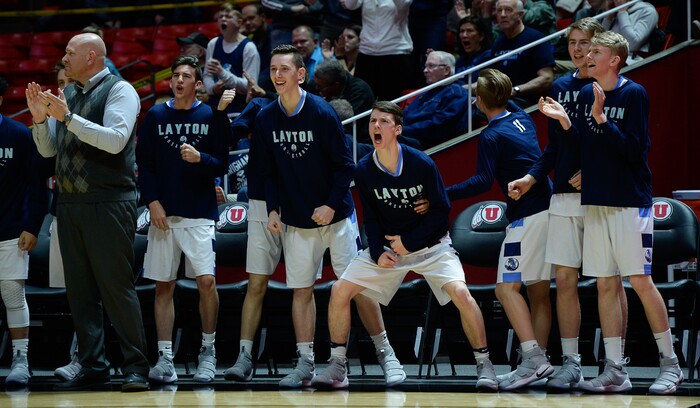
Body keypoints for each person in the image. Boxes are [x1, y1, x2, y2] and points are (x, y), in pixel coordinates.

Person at [312, 101, 498, 390]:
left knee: (461, 293)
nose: (376, 126)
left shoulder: (421, 163)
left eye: (383, 122)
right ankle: (337, 365)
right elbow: (371, 219)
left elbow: (440, 211)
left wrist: (409, 242)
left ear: (397, 129)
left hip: (430, 246)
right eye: (373, 121)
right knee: (340, 290)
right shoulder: (363, 170)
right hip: (391, 249)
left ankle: (484, 365)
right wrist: (377, 251)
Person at [535, 31, 683, 395]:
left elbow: (635, 151)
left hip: (630, 202)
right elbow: (582, 146)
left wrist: (602, 119)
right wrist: (566, 122)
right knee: (604, 284)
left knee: (641, 282)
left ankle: (671, 364)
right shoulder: (585, 94)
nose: (587, 56)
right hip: (596, 202)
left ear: (614, 60)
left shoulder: (634, 94)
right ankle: (615, 369)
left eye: (596, 51)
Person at [253, 45, 405, 388]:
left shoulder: (322, 113)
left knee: (358, 287)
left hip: (336, 219)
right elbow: (266, 172)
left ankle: (386, 354)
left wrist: (331, 205)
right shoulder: (265, 118)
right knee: (301, 291)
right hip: (295, 221)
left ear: (301, 74)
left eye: (285, 70)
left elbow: (344, 166)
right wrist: (273, 209)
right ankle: (305, 363)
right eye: (274, 69)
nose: (278, 75)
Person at [507, 18, 627, 390]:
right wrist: (532, 177)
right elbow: (554, 147)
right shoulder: (560, 86)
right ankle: (571, 361)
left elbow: (624, 145)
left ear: (600, 48)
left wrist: (594, 172)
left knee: (610, 280)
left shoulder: (615, 87)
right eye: (572, 42)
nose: (578, 50)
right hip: (563, 195)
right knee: (563, 278)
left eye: (585, 43)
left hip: (603, 194)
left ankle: (615, 363)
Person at [27, 32, 150, 392]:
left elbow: (114, 141)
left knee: (116, 288)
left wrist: (66, 119)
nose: (64, 58)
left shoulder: (120, 90)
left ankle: (136, 367)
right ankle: (94, 365)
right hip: (70, 204)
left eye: (70, 52)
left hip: (109, 201)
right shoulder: (70, 94)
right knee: (79, 292)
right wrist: (39, 120)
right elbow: (49, 152)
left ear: (92, 57)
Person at [446, 68, 554, 391]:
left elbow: (481, 181)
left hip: (528, 216)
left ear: (478, 101)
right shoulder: (521, 115)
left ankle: (534, 359)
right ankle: (536, 362)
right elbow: (510, 97)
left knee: (505, 290)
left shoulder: (490, 136)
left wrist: (443, 192)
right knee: (537, 292)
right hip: (548, 207)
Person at [135, 56, 233, 384]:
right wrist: (153, 202)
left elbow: (221, 162)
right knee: (164, 285)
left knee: (206, 282)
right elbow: (144, 165)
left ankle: (209, 350)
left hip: (200, 212)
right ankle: (165, 358)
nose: (178, 80)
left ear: (197, 84)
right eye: (175, 75)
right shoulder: (155, 116)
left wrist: (199, 158)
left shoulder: (210, 115)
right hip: (164, 214)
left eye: (186, 75)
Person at [0, 75, 48, 387]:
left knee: (13, 294)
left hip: (11, 230)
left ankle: (21, 358)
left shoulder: (18, 134)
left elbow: (37, 185)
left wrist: (32, 225)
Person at [343, 0, 414, 101]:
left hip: (394, 52)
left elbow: (404, 3)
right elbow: (349, 5)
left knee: (390, 102)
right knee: (362, 98)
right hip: (367, 52)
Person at [400, 51, 470, 150]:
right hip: (410, 135)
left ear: (446, 70)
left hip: (429, 144)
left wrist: (402, 130)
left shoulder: (456, 93)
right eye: (425, 67)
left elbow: (438, 126)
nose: (425, 70)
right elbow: (406, 114)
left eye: (431, 66)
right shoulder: (429, 91)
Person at [491, 0, 555, 106]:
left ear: (520, 15)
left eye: (508, 10)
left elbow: (547, 78)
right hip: (502, 99)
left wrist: (515, 90)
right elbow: (491, 77)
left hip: (526, 101)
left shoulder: (535, 38)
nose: (502, 15)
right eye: (499, 10)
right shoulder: (498, 42)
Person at [204, 2, 261, 117]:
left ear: (239, 22)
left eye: (228, 17)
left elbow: (250, 87)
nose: (223, 19)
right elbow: (207, 76)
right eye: (220, 17)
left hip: (238, 110)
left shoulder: (249, 48)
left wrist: (222, 73)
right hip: (214, 108)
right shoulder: (213, 44)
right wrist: (213, 89)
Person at [454, 15, 493, 85]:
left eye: (469, 31)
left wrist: (461, 89)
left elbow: (486, 85)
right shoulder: (460, 61)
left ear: (481, 36)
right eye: (462, 31)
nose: (464, 35)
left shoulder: (488, 57)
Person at [241, 3, 272, 80]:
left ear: (263, 17)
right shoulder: (251, 39)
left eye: (251, 18)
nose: (247, 23)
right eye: (244, 20)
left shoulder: (276, 35)